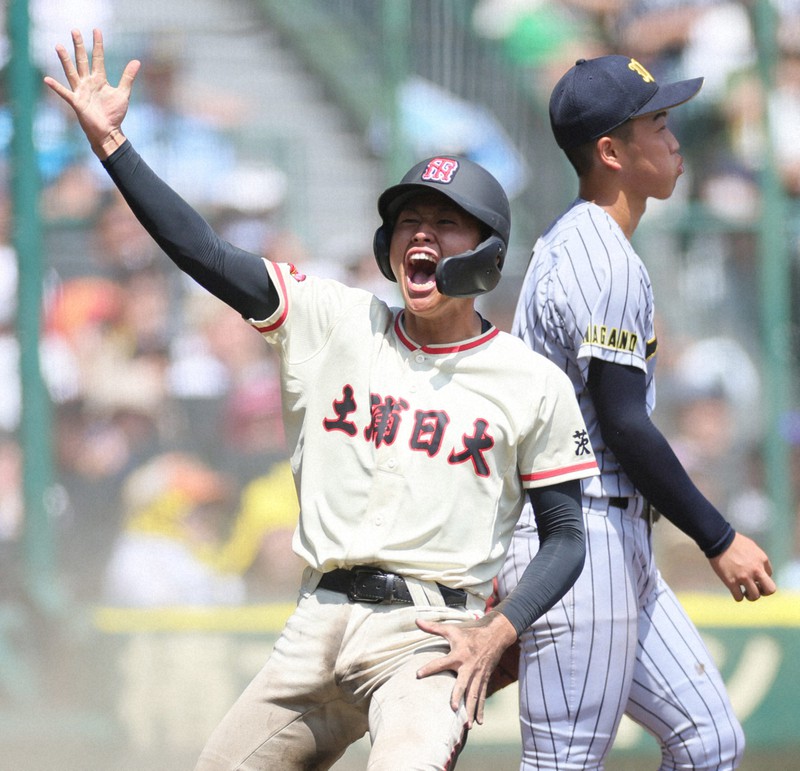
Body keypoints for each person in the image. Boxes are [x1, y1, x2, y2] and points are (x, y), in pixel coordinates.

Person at [45, 29, 600, 770]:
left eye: (443, 221)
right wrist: (114, 145)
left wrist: (503, 629)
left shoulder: (531, 381)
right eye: (409, 221)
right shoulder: (333, 319)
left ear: (487, 251)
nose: (421, 235)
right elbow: (203, 252)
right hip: (316, 621)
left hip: (429, 635)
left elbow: (567, 536)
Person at [497, 55, 777, 770]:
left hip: (611, 534)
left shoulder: (586, 241)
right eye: (656, 122)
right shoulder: (601, 261)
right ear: (611, 152)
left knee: (710, 736)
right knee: (564, 764)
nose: (674, 136)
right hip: (577, 536)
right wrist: (718, 537)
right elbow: (625, 421)